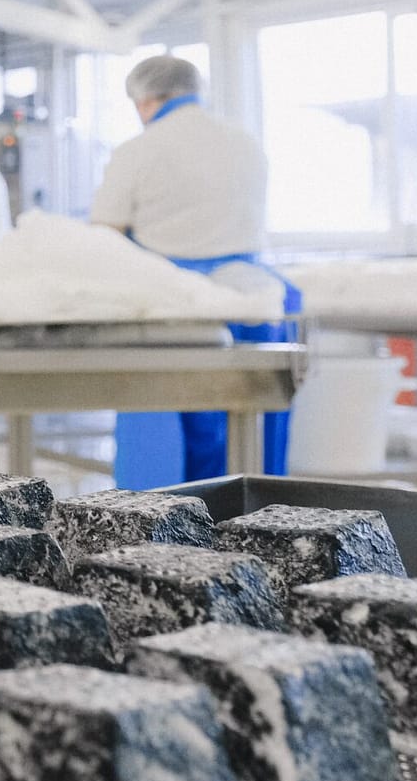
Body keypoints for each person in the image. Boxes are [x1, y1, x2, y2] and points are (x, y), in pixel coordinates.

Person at [89, 55, 300, 487]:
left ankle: (161, 519)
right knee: (252, 421)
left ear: (145, 100)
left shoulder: (138, 150)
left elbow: (106, 236)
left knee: (168, 437)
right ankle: (258, 509)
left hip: (171, 308)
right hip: (251, 299)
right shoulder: (246, 142)